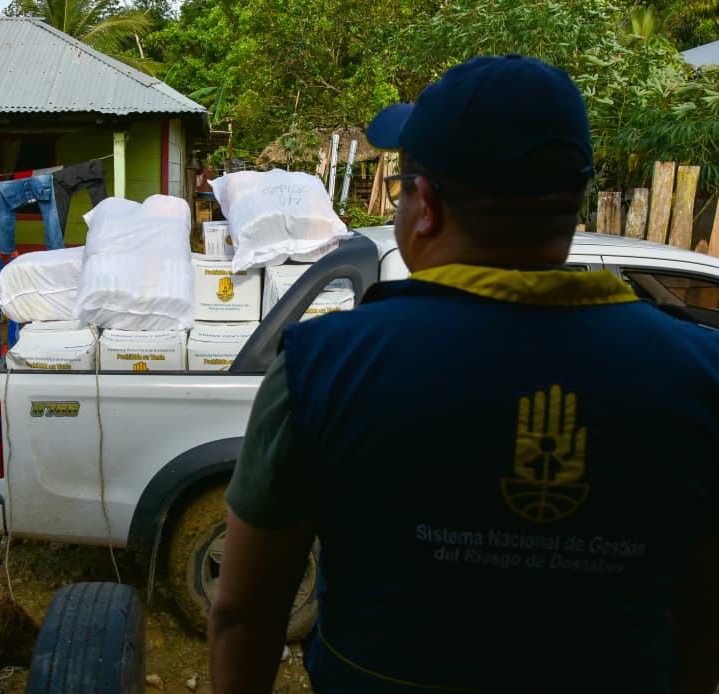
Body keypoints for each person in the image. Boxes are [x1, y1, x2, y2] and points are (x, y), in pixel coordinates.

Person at [208, 54, 719, 693]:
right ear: (574, 202)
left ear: (425, 205)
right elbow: (702, 628)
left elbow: (243, 617)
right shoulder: (699, 375)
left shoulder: (323, 365)